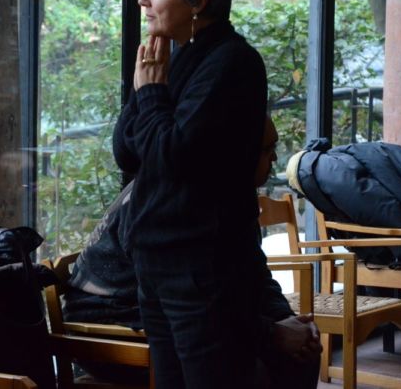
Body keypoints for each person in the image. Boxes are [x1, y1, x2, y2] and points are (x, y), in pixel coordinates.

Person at [113, 0, 268, 387]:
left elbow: (170, 158)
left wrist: (153, 93)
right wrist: (147, 92)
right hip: (156, 263)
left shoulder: (232, 63)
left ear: (199, 0)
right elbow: (126, 152)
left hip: (204, 270)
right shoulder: (171, 57)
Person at [65, 116, 321, 388]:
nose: (275, 159)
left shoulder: (234, 198)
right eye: (266, 150)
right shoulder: (173, 199)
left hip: (177, 314)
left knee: (302, 353)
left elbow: (255, 272)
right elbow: (191, 298)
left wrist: (286, 319)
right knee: (245, 371)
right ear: (237, 150)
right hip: (113, 326)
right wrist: (272, 334)